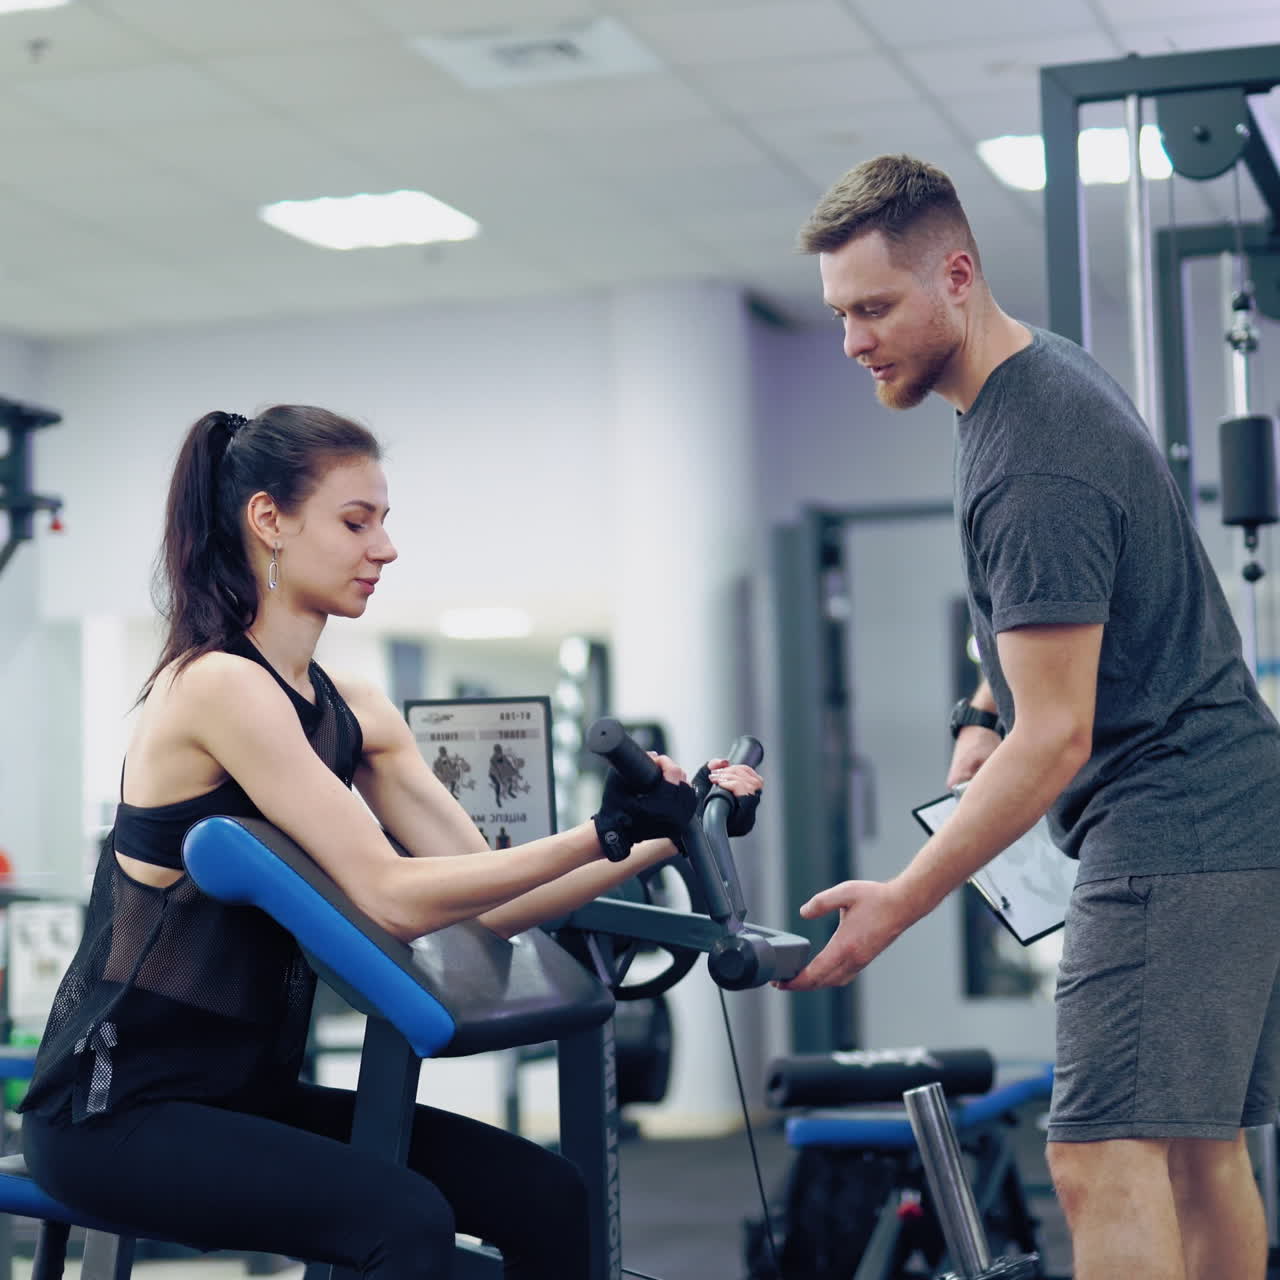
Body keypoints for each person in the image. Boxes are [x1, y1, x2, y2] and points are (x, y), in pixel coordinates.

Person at [19, 405, 762, 1280]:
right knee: (402, 1224)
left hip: (245, 1097)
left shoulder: (354, 710)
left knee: (546, 1198)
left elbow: (496, 901)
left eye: (383, 520)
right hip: (114, 1113)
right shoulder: (216, 687)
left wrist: (660, 834)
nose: (386, 547)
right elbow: (391, 897)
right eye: (355, 521)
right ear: (270, 521)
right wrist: (603, 831)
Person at [778, 156, 1280, 1280]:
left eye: (873, 308)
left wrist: (900, 900)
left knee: (1095, 1152)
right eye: (838, 315)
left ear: (954, 274)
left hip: (1173, 818)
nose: (853, 340)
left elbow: (1052, 738)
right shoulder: (1030, 378)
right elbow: (1034, 622)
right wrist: (977, 706)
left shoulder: (1028, 457)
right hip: (1225, 806)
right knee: (1195, 1151)